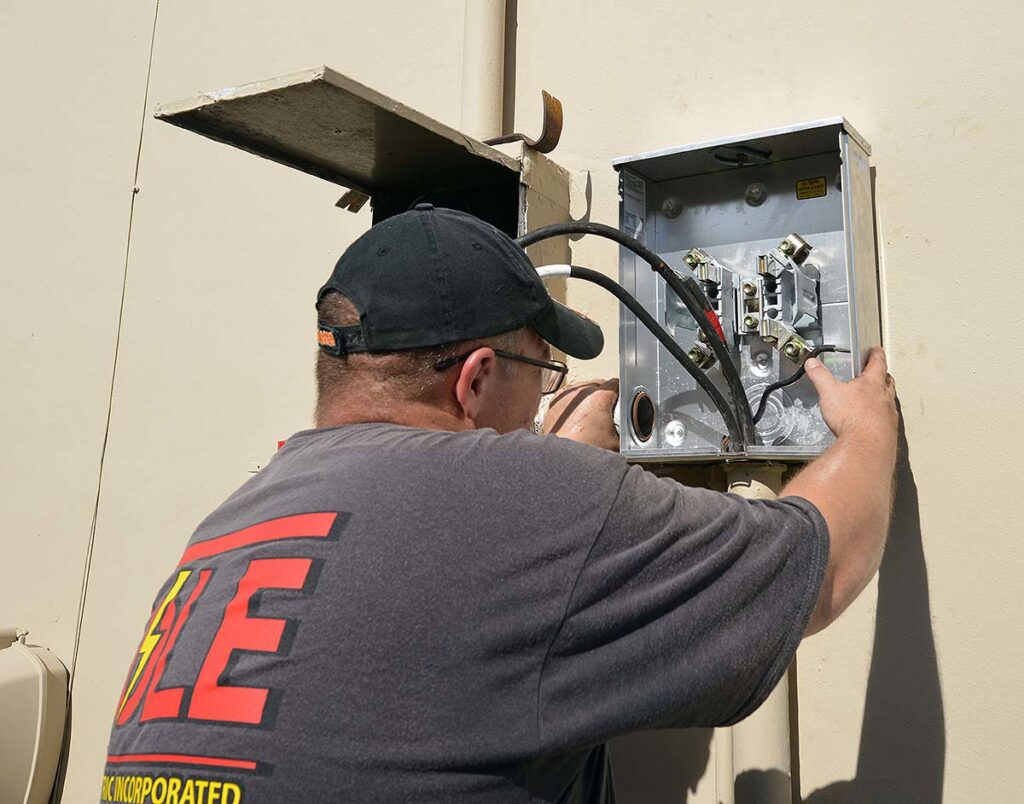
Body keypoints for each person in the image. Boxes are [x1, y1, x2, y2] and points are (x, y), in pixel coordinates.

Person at [102, 205, 898, 804]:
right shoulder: (533, 498)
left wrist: (557, 466)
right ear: (476, 379)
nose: (545, 398)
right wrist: (865, 432)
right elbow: (822, 565)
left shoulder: (239, 513)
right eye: (540, 372)